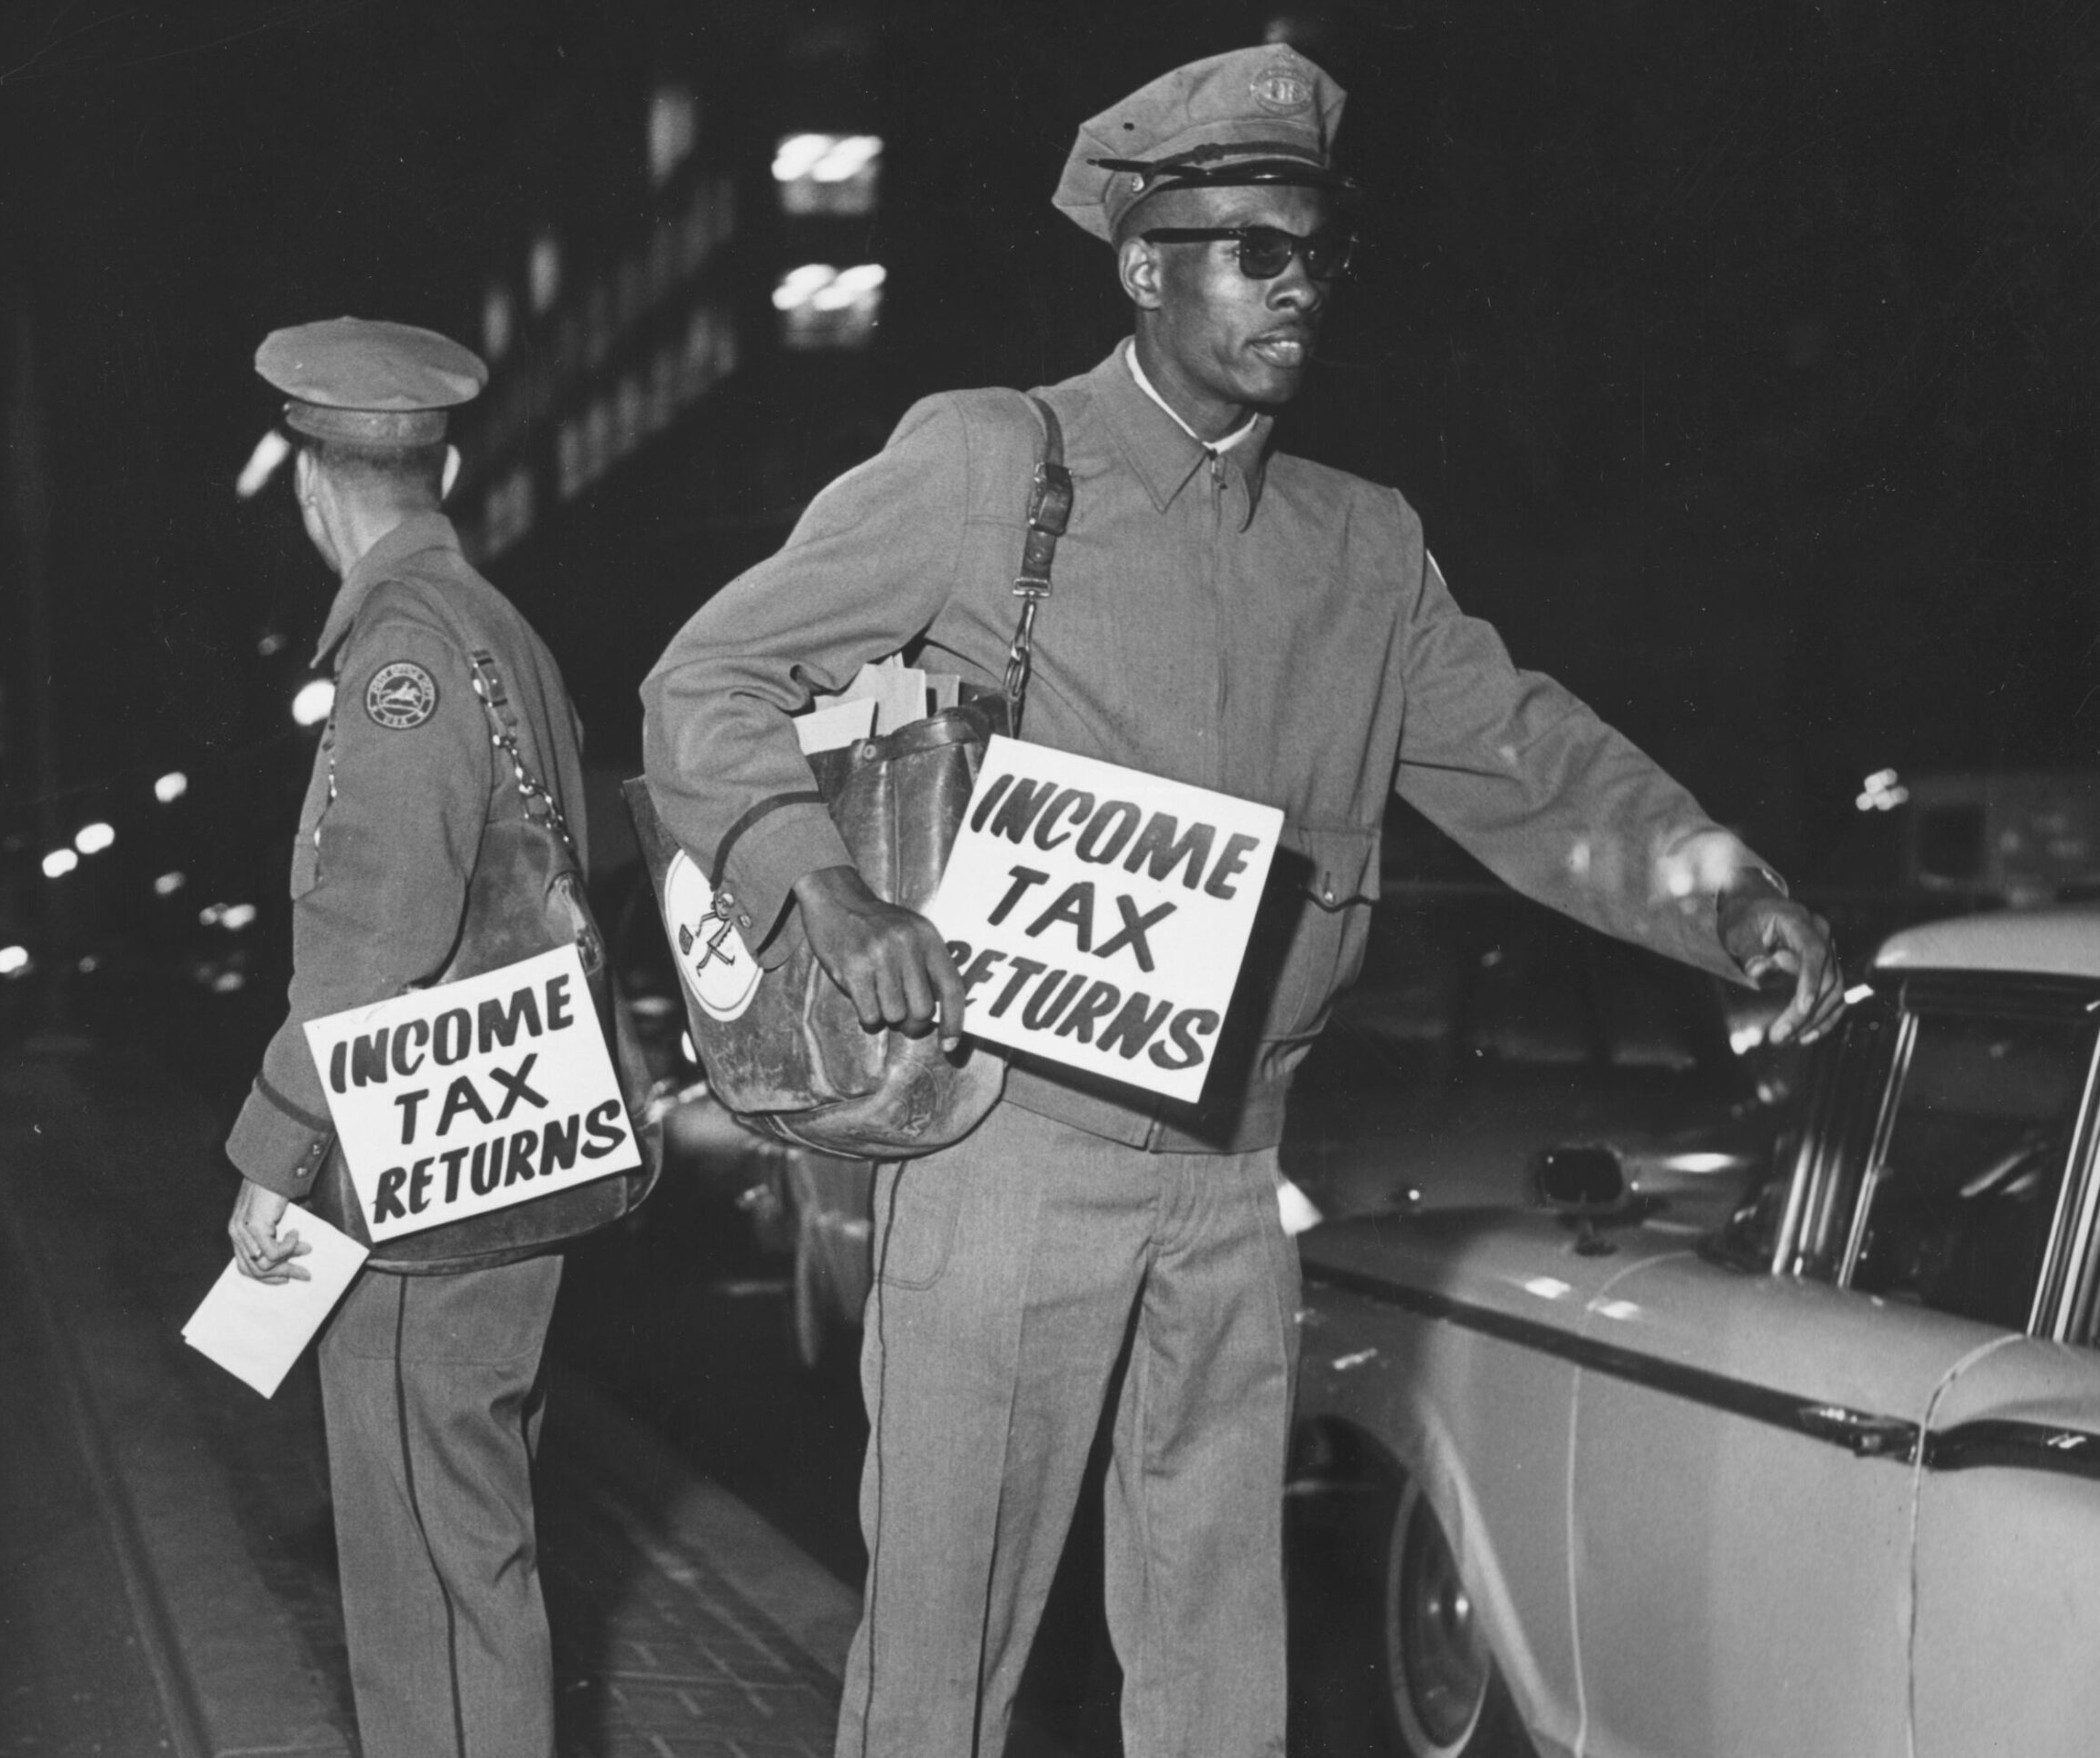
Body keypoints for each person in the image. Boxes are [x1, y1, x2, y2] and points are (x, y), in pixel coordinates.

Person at [640, 44, 1843, 1758]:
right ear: (1144, 262)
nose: (1298, 290)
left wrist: (1720, 890)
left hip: (1231, 1172)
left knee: (1218, 1670)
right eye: (1252, 252)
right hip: (1010, 1150)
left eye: (1319, 253)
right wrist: (817, 888)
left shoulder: (1361, 544)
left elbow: (1525, 754)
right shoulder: (997, 467)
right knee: (942, 1662)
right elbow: (708, 683)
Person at [224, 317, 591, 1758]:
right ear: (437, 464)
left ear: (317, 484)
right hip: (512, 1142)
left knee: (430, 1583)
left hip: (416, 1179)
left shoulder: (405, 651)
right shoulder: (503, 628)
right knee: (478, 1547)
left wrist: (276, 1141)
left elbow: (376, 927)